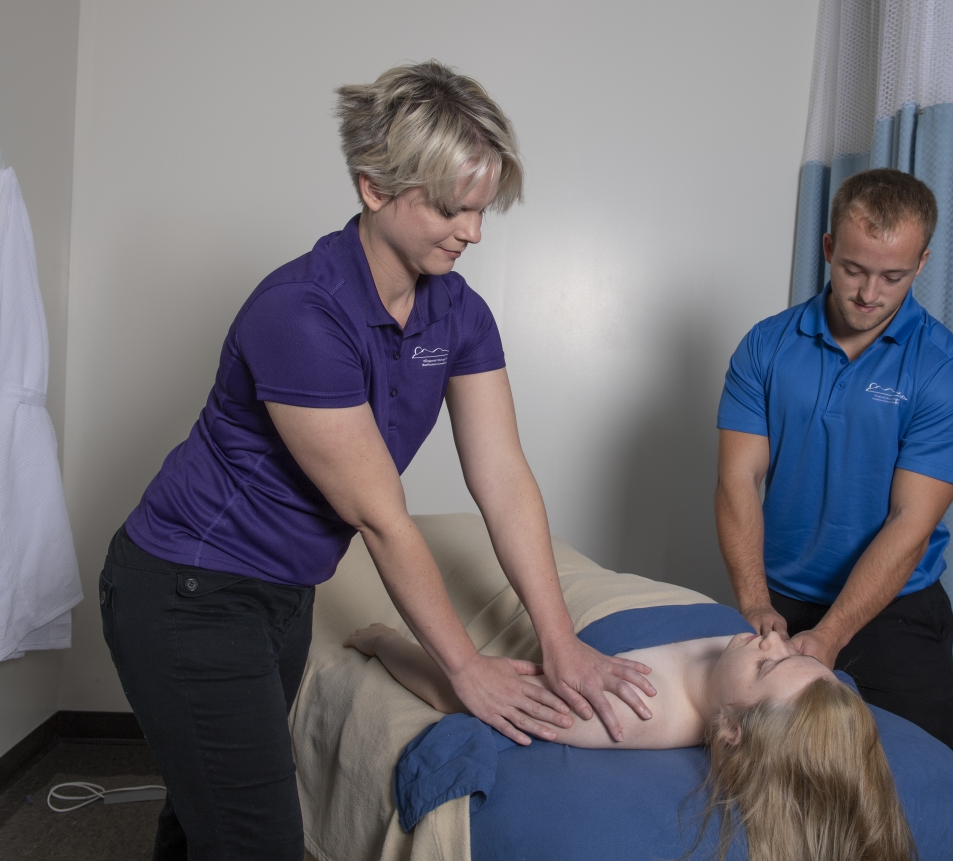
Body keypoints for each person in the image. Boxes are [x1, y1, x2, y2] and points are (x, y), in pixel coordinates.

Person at [97, 61, 656, 861]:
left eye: (482, 206)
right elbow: (379, 516)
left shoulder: (458, 311)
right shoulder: (299, 311)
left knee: (205, 818)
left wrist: (558, 638)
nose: (472, 230)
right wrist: (463, 668)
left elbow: (502, 478)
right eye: (449, 207)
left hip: (282, 595)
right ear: (373, 187)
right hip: (188, 589)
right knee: (254, 839)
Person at [714, 168, 953, 747]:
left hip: (895, 608)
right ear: (829, 248)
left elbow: (911, 522)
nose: (869, 294)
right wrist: (755, 601)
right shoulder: (766, 346)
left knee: (913, 794)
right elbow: (737, 477)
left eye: (893, 276)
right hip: (778, 602)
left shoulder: (947, 373)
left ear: (923, 263)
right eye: (854, 270)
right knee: (764, 787)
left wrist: (834, 633)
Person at [345, 620, 917, 861]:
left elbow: (465, 694)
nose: (771, 639)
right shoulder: (749, 677)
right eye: (789, 651)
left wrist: (383, 642)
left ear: (732, 730)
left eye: (769, 665)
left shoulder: (631, 710)